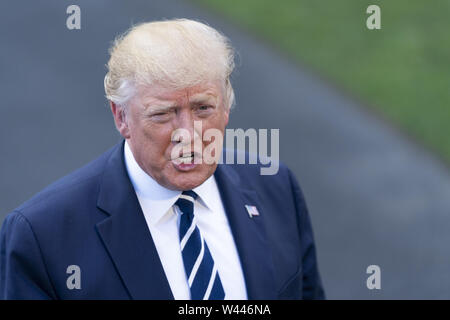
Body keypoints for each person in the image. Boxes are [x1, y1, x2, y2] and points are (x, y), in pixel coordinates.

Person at [0, 19, 325, 300]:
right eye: (163, 114)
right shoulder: (41, 236)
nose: (188, 133)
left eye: (203, 108)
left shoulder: (275, 186)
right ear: (121, 117)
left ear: (226, 107)